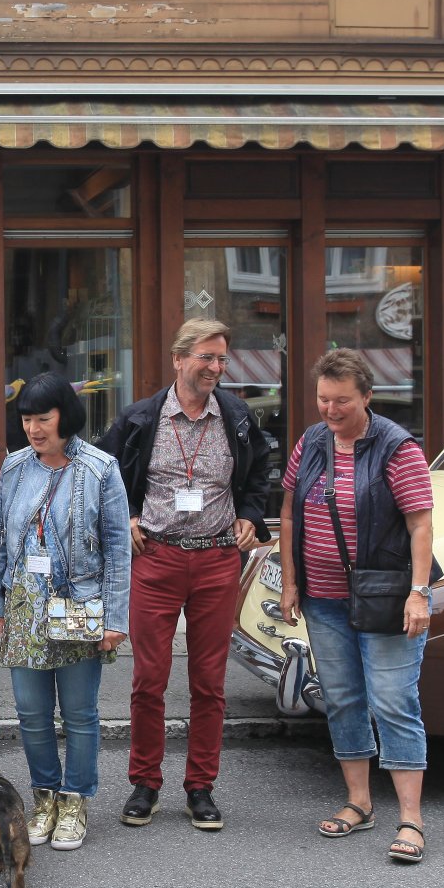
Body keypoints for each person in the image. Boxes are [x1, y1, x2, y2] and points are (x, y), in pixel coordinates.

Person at [98, 318, 270, 830]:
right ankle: (145, 783)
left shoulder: (237, 417)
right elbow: (105, 475)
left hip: (217, 560)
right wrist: (127, 516)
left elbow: (260, 473)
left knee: (209, 682)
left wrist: (251, 515)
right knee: (148, 679)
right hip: (156, 559)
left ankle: (200, 787)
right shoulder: (140, 418)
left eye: (221, 359)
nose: (216, 367)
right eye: (206, 357)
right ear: (178, 360)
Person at [279, 349, 437, 864]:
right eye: (323, 399)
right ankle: (359, 802)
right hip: (323, 598)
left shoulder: (397, 447)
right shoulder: (312, 442)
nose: (330, 409)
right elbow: (289, 513)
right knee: (343, 698)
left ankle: (410, 819)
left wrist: (419, 592)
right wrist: (291, 582)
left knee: (392, 701)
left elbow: (420, 523)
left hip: (386, 596)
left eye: (342, 400)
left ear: (367, 397)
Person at [0, 373, 130, 852]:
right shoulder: (14, 467)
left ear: (66, 416)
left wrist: (115, 619)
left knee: (80, 713)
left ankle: (75, 800)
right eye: (27, 419)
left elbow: (118, 547)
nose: (33, 429)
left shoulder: (100, 469)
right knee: (30, 712)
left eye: (43, 418)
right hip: (24, 604)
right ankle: (43, 798)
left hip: (79, 603)